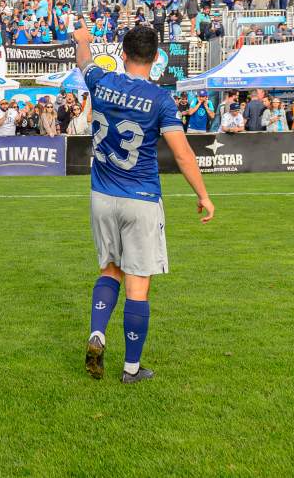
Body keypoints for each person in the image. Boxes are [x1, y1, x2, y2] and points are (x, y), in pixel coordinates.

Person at [74, 24, 214, 385]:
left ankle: (97, 333)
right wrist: (203, 195)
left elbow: (84, 61)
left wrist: (83, 40)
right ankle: (132, 369)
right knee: (139, 285)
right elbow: (182, 153)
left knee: (109, 269)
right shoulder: (160, 99)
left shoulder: (101, 82)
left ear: (122, 54)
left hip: (102, 196)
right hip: (141, 198)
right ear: (155, 59)